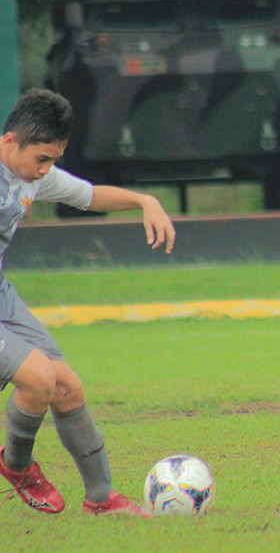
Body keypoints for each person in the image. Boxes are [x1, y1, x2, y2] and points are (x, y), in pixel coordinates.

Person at [0, 88, 176, 517]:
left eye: (53, 160)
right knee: (39, 377)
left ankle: (102, 499)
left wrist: (144, 201)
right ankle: (16, 466)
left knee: (65, 385)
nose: (47, 170)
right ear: (9, 142)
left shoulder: (30, 174)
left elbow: (91, 196)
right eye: (42, 159)